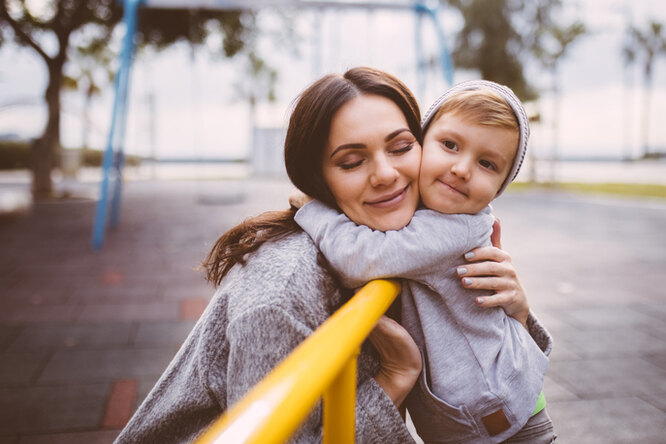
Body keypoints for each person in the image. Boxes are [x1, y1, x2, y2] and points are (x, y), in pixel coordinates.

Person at [114, 69, 550, 444]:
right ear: (315, 176)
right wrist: (393, 379)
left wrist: (516, 308)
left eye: (400, 147)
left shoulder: (419, 233)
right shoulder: (282, 293)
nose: (385, 174)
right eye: (350, 161)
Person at [292, 80, 555, 443]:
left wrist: (313, 210)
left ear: (498, 190)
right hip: (503, 396)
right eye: (449, 145)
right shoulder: (433, 214)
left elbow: (362, 258)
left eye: (487, 164)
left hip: (499, 421)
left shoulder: (452, 228)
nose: (462, 168)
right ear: (423, 141)